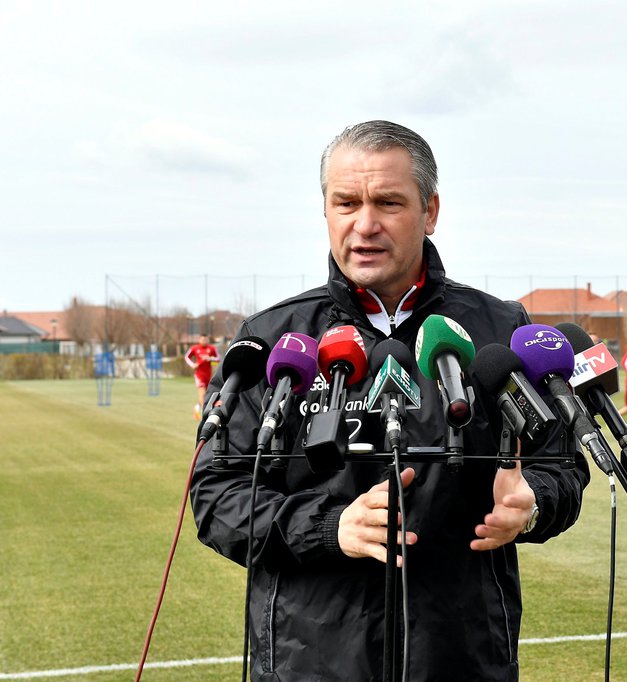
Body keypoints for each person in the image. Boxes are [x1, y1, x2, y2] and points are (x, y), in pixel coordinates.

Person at [190, 121, 591, 681]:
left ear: (430, 212)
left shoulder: (501, 330)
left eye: (388, 202)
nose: (365, 224)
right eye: (346, 202)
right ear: (325, 210)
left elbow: (562, 468)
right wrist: (329, 528)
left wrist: (534, 505)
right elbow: (216, 498)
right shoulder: (273, 339)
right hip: (310, 664)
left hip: (463, 658)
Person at [184, 333, 220, 420]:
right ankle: (205, 415)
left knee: (208, 396)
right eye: (203, 339)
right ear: (199, 340)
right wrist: (192, 365)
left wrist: (210, 359)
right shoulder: (195, 348)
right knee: (203, 394)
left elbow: (218, 359)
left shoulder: (211, 348)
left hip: (208, 375)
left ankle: (196, 408)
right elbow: (186, 357)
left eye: (206, 339)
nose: (204, 341)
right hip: (199, 375)